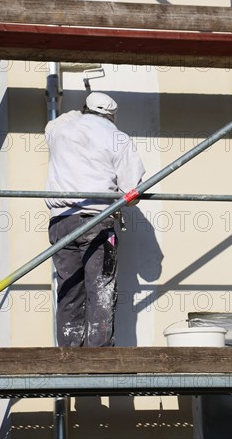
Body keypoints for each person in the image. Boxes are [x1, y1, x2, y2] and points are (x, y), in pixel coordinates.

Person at [45, 92, 145, 347]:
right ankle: (98, 359)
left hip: (61, 222)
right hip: (98, 224)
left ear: (84, 109)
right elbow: (132, 192)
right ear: (112, 116)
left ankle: (69, 358)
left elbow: (59, 121)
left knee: (69, 291)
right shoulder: (118, 138)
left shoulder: (59, 128)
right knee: (100, 290)